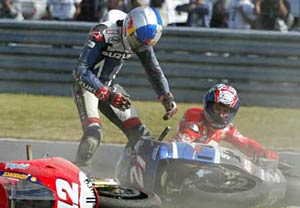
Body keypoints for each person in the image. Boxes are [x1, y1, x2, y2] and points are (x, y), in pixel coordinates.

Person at [72, 6, 178, 169]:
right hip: (87, 86)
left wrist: (166, 96)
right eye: (137, 42)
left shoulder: (140, 39)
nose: (138, 48)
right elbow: (80, 70)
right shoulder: (103, 33)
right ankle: (80, 173)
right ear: (128, 27)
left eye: (144, 45)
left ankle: (130, 174)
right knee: (93, 136)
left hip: (109, 86)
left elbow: (153, 70)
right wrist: (108, 95)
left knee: (142, 137)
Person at [172, 83, 279, 160]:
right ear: (209, 106)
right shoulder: (195, 120)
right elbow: (176, 146)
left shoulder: (226, 128)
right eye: (218, 109)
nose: (221, 114)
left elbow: (245, 144)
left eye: (226, 111)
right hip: (186, 163)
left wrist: (263, 153)